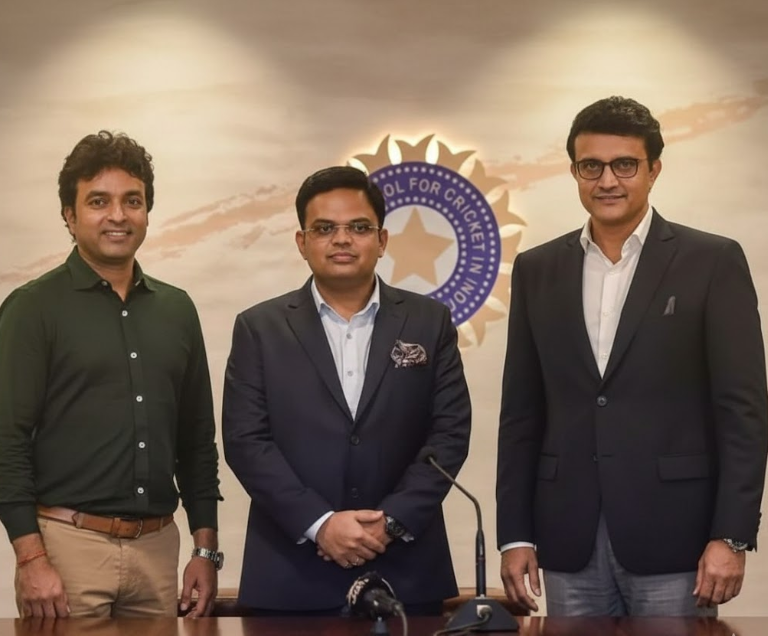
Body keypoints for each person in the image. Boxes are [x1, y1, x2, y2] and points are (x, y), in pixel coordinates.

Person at [496, 96, 768, 617]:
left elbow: (743, 413)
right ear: (574, 172)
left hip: (677, 539)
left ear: (653, 169)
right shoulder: (537, 268)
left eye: (624, 165)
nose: (607, 181)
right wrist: (515, 534)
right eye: (590, 166)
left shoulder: (711, 261)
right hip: (567, 537)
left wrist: (731, 536)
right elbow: (521, 415)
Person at [223, 165, 471, 614]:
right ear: (302, 242)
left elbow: (449, 434)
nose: (342, 240)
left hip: (406, 570)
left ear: (382, 240)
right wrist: (320, 524)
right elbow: (246, 442)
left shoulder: (428, 321)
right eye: (324, 229)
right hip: (291, 573)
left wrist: (389, 523)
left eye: (358, 227)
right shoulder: (259, 328)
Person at [0, 131, 223, 618]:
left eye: (132, 201)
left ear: (147, 211)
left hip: (159, 550)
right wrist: (31, 558)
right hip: (67, 551)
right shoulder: (32, 308)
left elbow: (196, 442)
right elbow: (6, 440)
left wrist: (205, 551)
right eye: (98, 201)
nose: (118, 215)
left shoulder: (177, 310)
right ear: (69, 215)